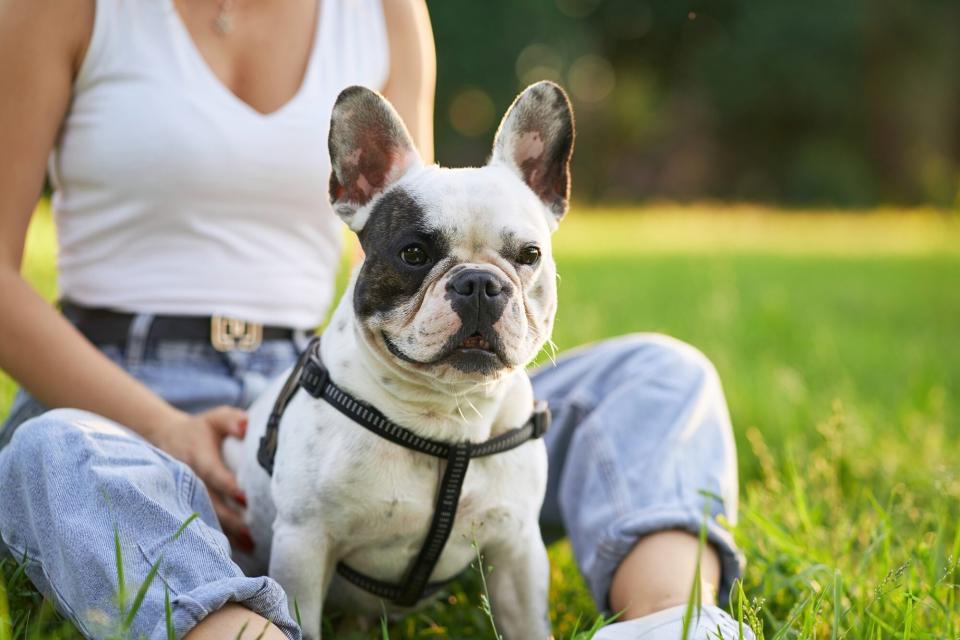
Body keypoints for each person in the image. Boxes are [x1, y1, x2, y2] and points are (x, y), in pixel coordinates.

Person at [0, 1, 752, 639]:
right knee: (55, 454)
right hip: (121, 387)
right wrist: (162, 427)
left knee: (661, 374)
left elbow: (421, 224)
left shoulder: (383, 9)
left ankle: (667, 618)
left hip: (347, 383)